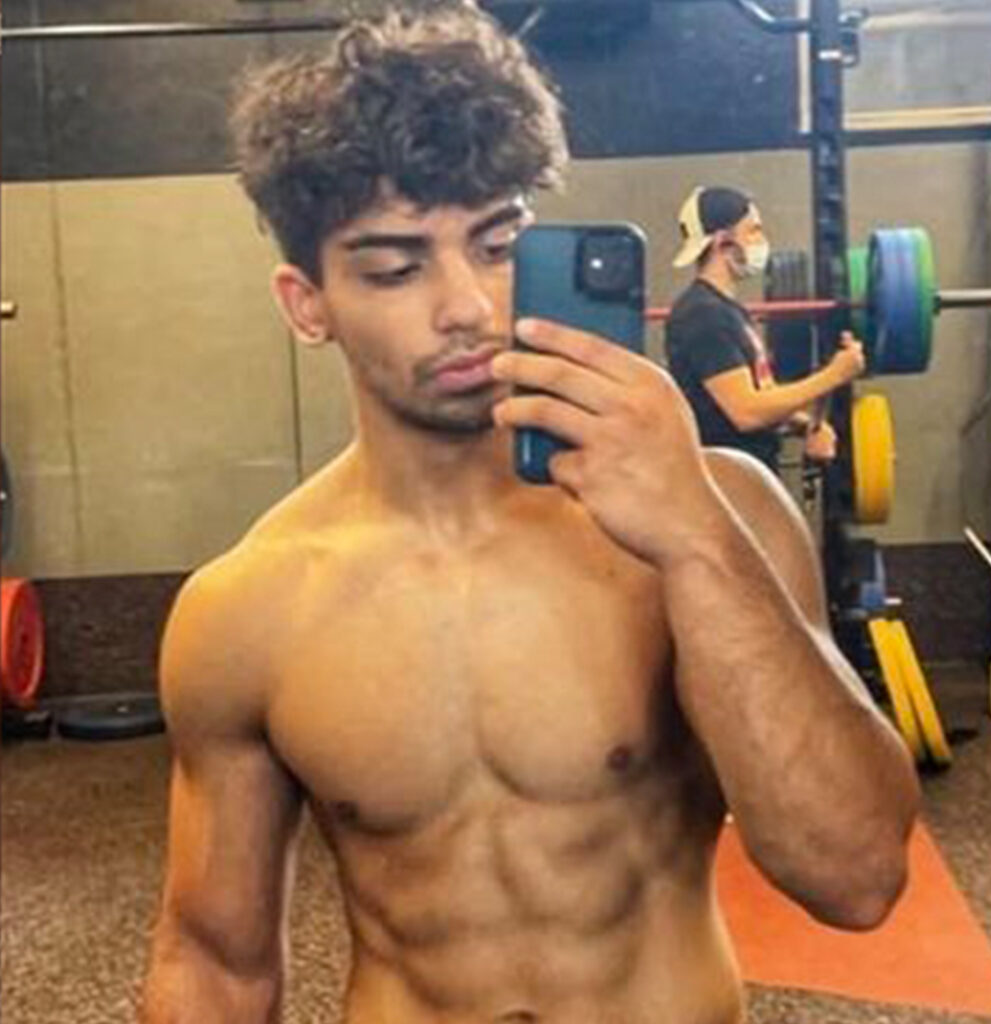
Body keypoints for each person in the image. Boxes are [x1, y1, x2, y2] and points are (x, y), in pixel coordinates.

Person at [140, 5, 920, 1023]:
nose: (469, 305)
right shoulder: (246, 610)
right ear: (307, 303)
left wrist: (692, 537)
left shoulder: (717, 510)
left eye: (498, 243)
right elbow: (215, 964)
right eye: (395, 266)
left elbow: (856, 875)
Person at [664, 186, 866, 474]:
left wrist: (803, 424)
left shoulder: (731, 312)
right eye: (753, 231)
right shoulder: (703, 315)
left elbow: (761, 395)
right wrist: (835, 374)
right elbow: (746, 411)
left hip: (750, 478)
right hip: (726, 484)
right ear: (723, 242)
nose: (761, 241)